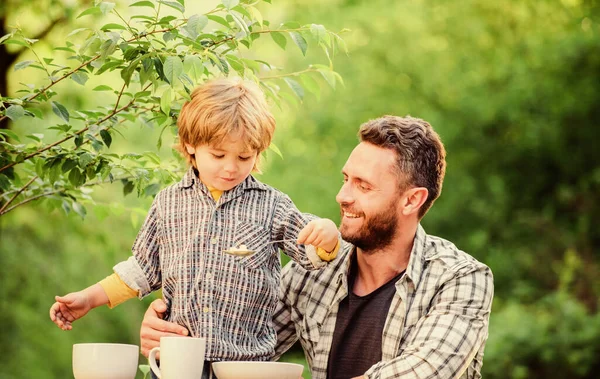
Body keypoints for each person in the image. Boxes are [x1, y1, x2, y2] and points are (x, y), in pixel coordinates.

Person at [140, 115, 494, 379]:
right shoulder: (308, 276)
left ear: (411, 200)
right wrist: (175, 335)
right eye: (345, 179)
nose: (342, 196)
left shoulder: (460, 278)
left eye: (363, 186)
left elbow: (425, 371)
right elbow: (236, 348)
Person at [49, 78, 341, 375]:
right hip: (178, 362)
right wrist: (88, 298)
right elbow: (141, 269)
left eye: (244, 157)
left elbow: (311, 250)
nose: (231, 167)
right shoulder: (168, 203)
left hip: (246, 366)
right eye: (218, 155)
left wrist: (328, 237)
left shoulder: (272, 205)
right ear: (191, 144)